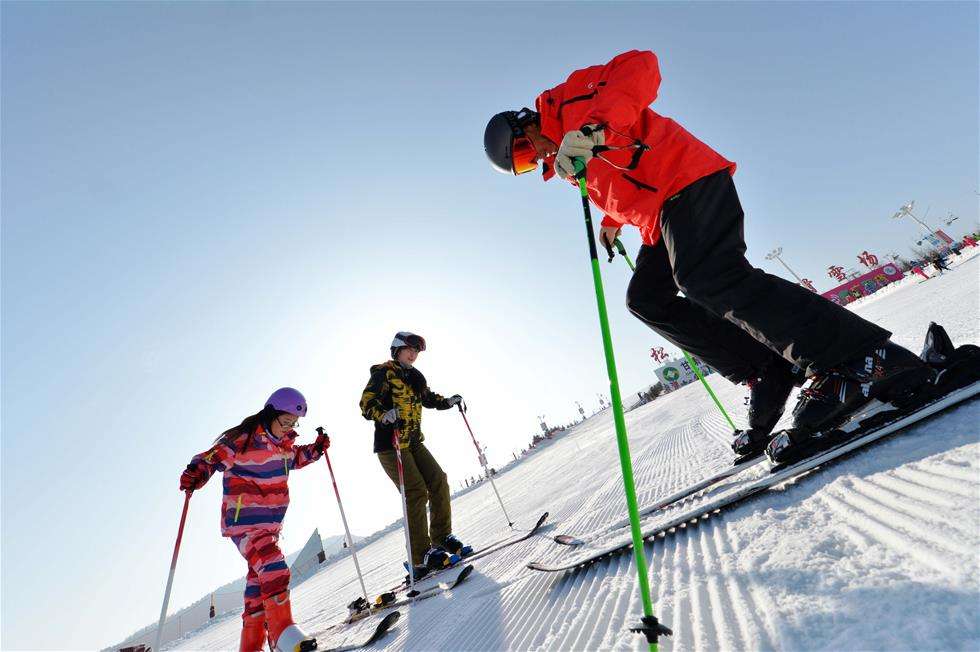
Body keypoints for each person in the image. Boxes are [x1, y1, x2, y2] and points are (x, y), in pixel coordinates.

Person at [483, 50, 932, 461]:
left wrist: (594, 128)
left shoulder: (566, 105)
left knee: (709, 277)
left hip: (686, 179)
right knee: (646, 299)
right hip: (657, 218)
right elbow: (620, 182)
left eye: (524, 149)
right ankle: (765, 368)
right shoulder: (563, 157)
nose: (535, 158)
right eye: (524, 165)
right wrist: (612, 220)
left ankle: (863, 359)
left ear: (524, 123)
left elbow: (639, 67)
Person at [179, 388, 329, 652]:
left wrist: (316, 450)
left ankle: (250, 647)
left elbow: (297, 458)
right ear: (270, 414)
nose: (288, 429)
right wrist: (197, 472)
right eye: (285, 422)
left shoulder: (284, 447)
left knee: (258, 587)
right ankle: (282, 634)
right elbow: (211, 458)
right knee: (273, 568)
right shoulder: (242, 441)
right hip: (245, 524)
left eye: (294, 425)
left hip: (270, 526)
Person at [359, 331, 472, 578]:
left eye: (417, 351)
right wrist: (384, 414)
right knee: (416, 491)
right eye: (409, 349)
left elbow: (428, 399)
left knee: (438, 480)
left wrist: (448, 401)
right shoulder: (383, 372)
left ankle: (442, 539)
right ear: (397, 349)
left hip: (413, 442)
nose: (413, 354)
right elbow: (366, 403)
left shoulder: (415, 376)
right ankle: (420, 555)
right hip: (392, 444)